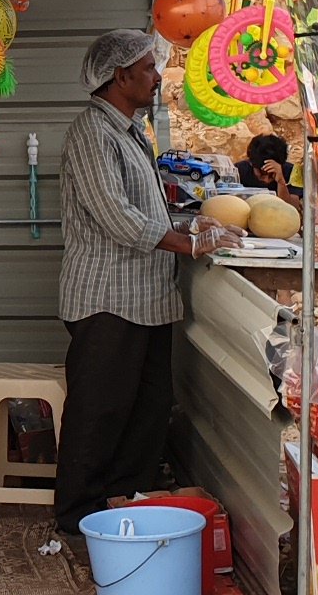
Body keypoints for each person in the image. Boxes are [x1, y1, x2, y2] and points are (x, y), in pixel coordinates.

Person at [54, 28, 224, 541]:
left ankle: (124, 507)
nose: (157, 77)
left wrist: (195, 226)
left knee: (147, 410)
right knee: (100, 412)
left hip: (146, 299)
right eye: (149, 69)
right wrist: (190, 244)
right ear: (121, 75)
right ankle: (78, 518)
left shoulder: (129, 130)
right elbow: (119, 218)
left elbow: (147, 208)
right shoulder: (92, 132)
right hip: (106, 298)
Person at [243, 132, 299, 203]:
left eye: (271, 175)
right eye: (262, 174)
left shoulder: (293, 172)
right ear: (251, 163)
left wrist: (281, 181)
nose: (266, 180)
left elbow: (294, 207)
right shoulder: (241, 170)